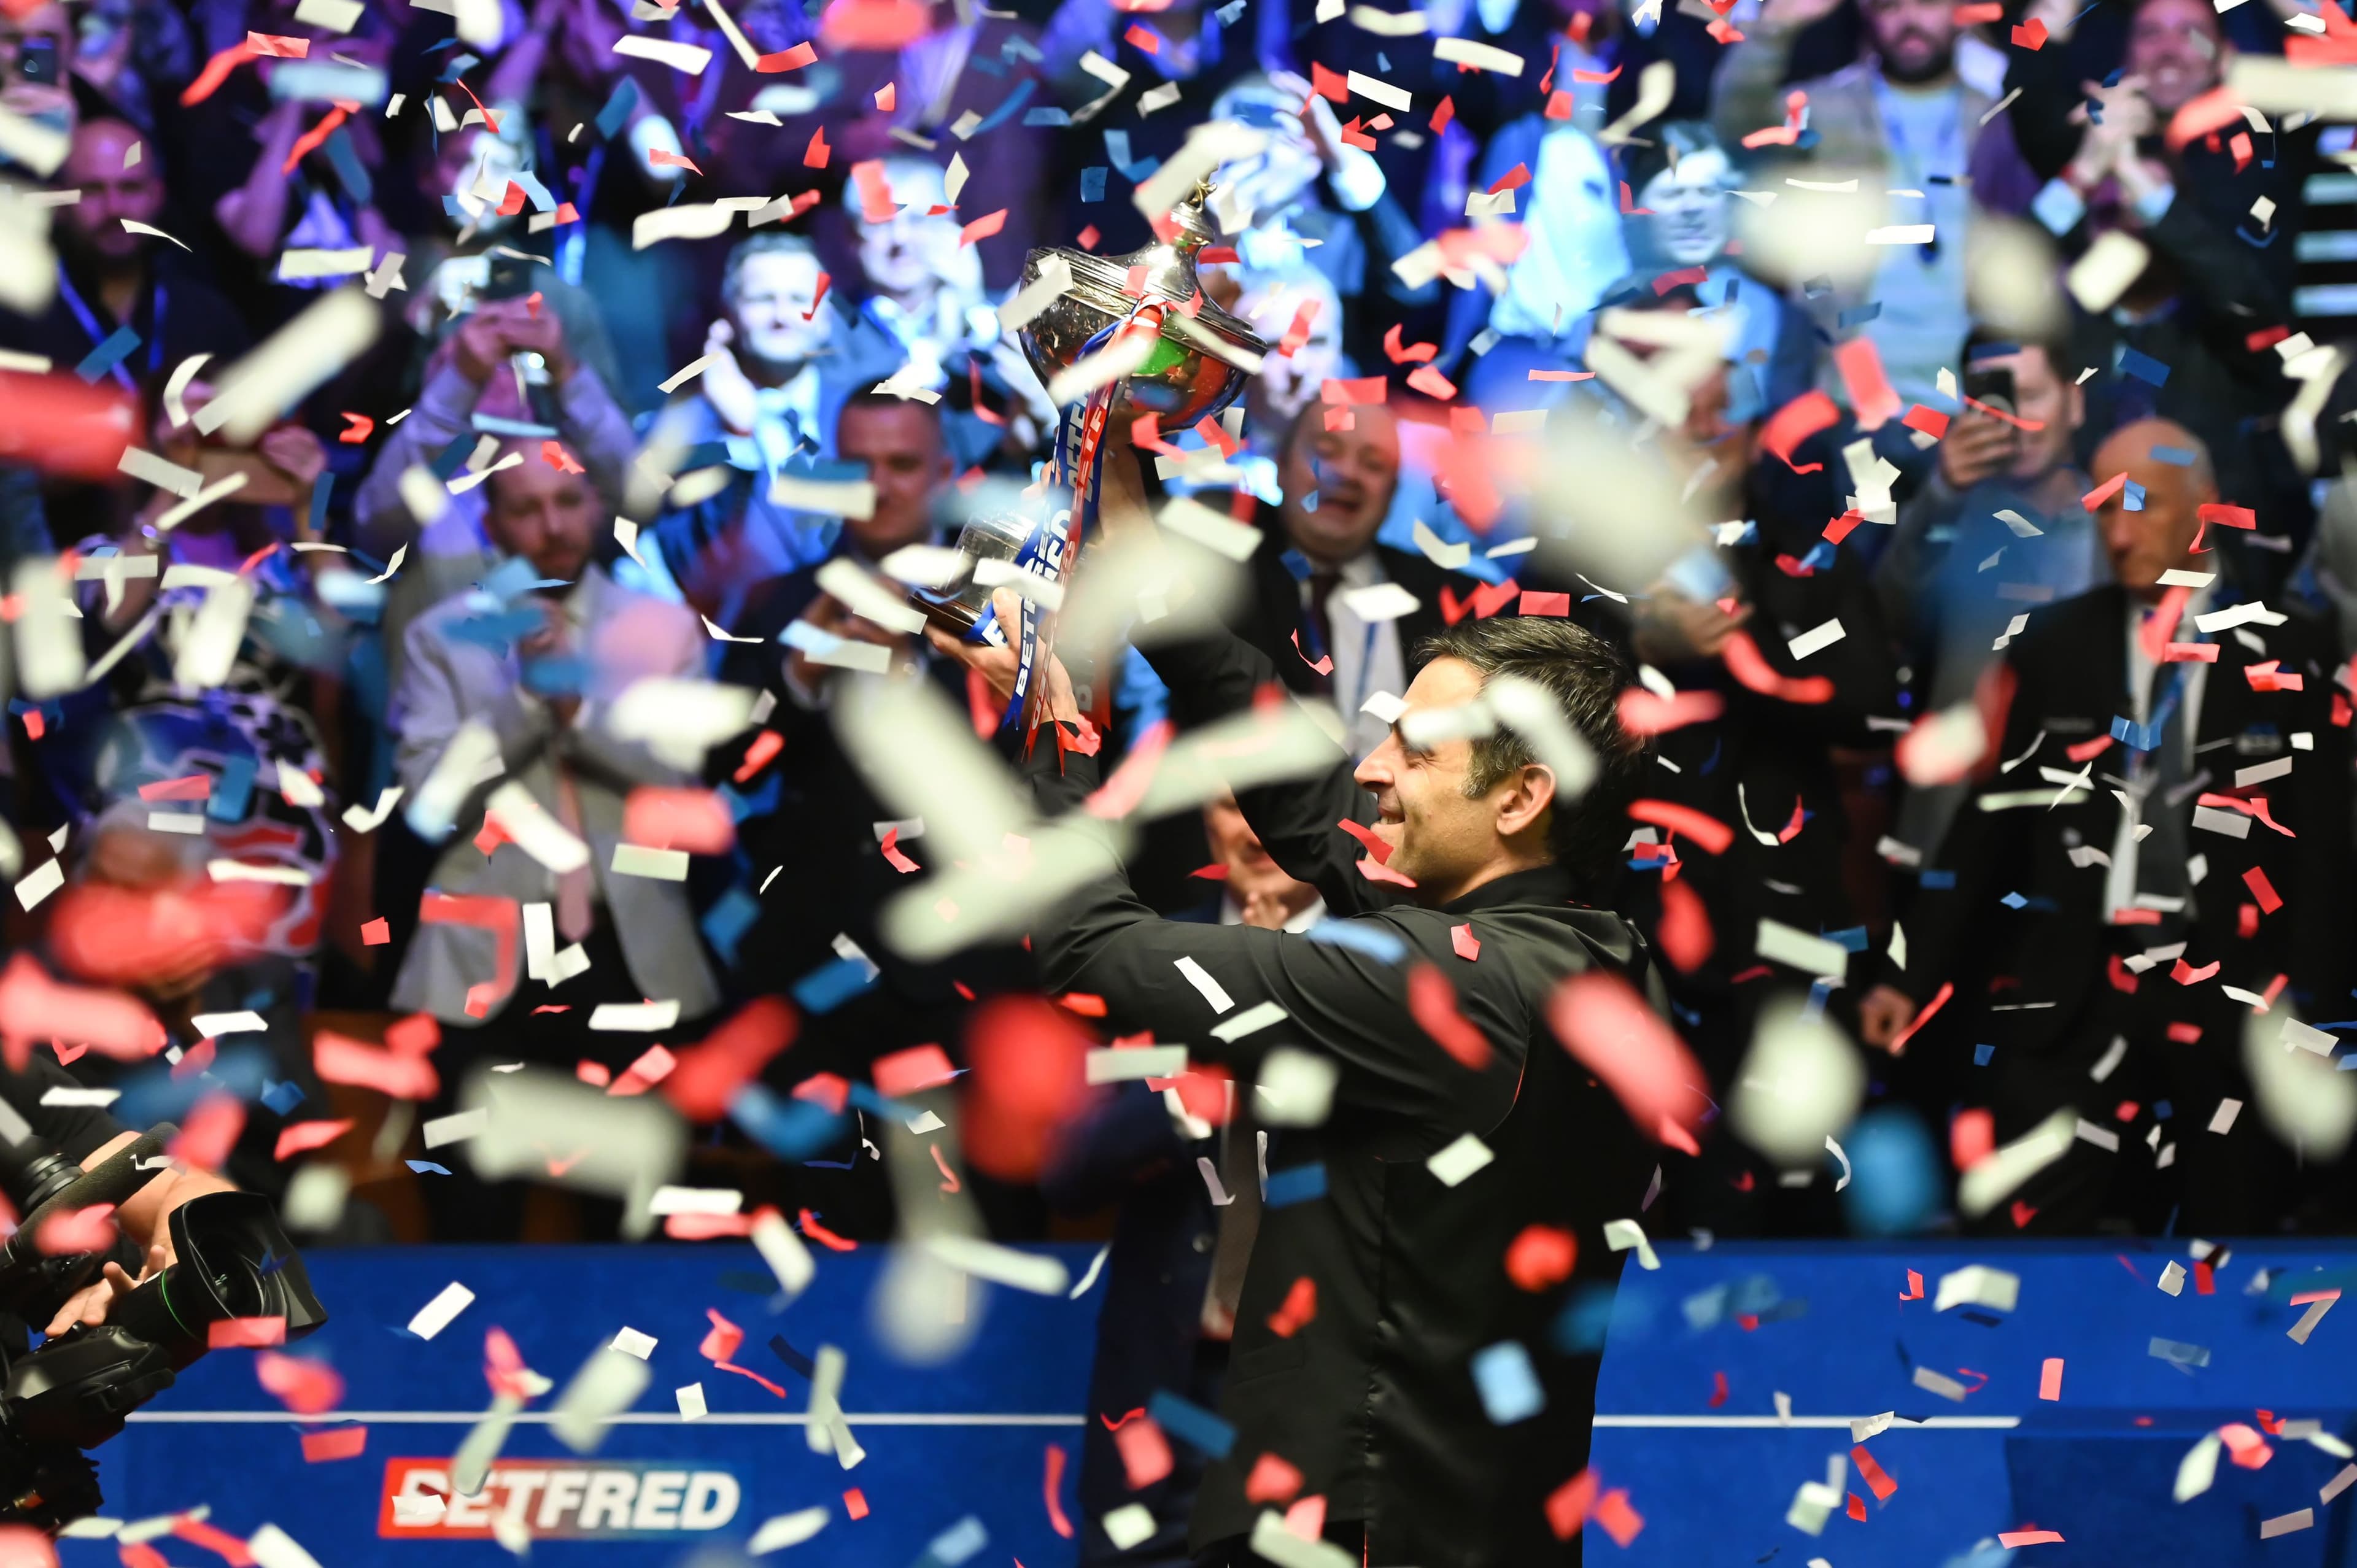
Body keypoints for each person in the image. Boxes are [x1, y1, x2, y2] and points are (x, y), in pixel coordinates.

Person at [934, 446, 1671, 1562]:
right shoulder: (1595, 957)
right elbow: (1315, 796)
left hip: (1363, 1527)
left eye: (1417, 753)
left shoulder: (1439, 986)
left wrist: (1060, 719)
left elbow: (1090, 948)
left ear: (1523, 796)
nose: (1376, 769)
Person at [1857, 421, 2350, 1236]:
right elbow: (1988, 828)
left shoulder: (2286, 648)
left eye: (2143, 508)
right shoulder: (2056, 646)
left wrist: (2316, 1011)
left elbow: (2324, 846)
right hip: (2078, 987)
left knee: (2228, 1237)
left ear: (2207, 509)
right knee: (2036, 1237)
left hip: (2229, 991)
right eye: (2104, 512)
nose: (2119, 535)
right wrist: (1908, 976)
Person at [1044, 799, 1320, 1567]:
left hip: (1321, 1390)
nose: (1257, 826)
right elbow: (1068, 1168)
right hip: (1166, 1383)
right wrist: (1207, 1054)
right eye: (1236, 803)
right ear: (1207, 820)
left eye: (1279, 798)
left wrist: (1288, 1001)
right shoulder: (1137, 955)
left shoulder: (1387, 952)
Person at [390, 450, 721, 1038]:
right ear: (492, 526)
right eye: (526, 509)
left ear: (596, 506)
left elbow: (683, 793)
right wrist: (521, 706)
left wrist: (581, 711)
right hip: (483, 962)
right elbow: (428, 805)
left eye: (569, 501)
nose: (554, 526)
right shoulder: (442, 635)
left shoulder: (662, 629)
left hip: (634, 951)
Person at [2011, 3, 2302, 587]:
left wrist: (2148, 191)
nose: (2139, 223)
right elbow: (2006, 280)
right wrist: (2089, 169)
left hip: (2217, 579)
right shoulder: (2073, 333)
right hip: (2078, 572)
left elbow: (2248, 299)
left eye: (2155, 211)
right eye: (2122, 205)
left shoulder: (2219, 337)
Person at [1710, 0, 2005, 409]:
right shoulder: (1826, 108)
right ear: (1866, 15)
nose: (1909, 21)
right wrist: (1776, 26)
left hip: (1970, 397)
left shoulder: (1995, 116)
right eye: (1889, 7)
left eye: (1928, 4)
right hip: (1852, 396)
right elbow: (1739, 132)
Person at [1874, 328, 2098, 863]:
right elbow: (1886, 622)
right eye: (1996, 400)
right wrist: (1944, 495)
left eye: (2034, 395)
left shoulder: (2117, 522)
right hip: (1951, 825)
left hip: (2083, 825)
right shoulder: (1948, 517)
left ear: (2076, 400)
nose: (2016, 420)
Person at [0, 117, 253, 545]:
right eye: (93, 191)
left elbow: (254, 454)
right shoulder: (16, 319)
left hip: (194, 564)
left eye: (130, 189)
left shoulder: (206, 315)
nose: (115, 208)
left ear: (157, 197)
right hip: (52, 566)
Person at [643, 231, 905, 622]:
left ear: (824, 320)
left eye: (800, 300)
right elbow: (692, 567)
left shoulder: (869, 415)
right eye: (763, 299)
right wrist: (740, 438)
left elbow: (847, 538)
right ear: (730, 314)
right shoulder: (682, 428)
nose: (782, 316)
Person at [1228, 403, 1460, 757]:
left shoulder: (1441, 598)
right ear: (1281, 466)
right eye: (1325, 452)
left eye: (1373, 464)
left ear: (1392, 492)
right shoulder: (1225, 569)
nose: (1348, 473)